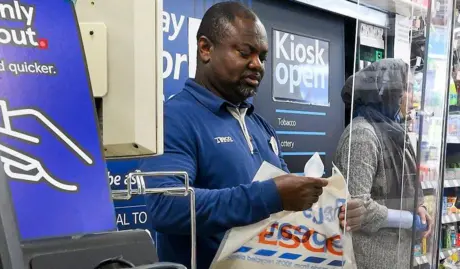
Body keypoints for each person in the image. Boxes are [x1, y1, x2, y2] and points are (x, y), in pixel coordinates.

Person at [143, 2, 362, 268]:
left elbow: (286, 209)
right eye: (245, 52)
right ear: (205, 49)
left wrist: (331, 210)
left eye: (263, 57)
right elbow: (167, 208)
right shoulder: (174, 118)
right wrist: (268, 196)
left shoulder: (261, 126)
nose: (257, 65)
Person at [335, 59, 432, 269]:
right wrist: (408, 219)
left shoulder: (394, 131)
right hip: (370, 258)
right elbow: (356, 208)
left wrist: (419, 206)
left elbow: (409, 180)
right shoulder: (362, 135)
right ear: (388, 92)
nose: (413, 98)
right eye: (407, 89)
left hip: (396, 255)